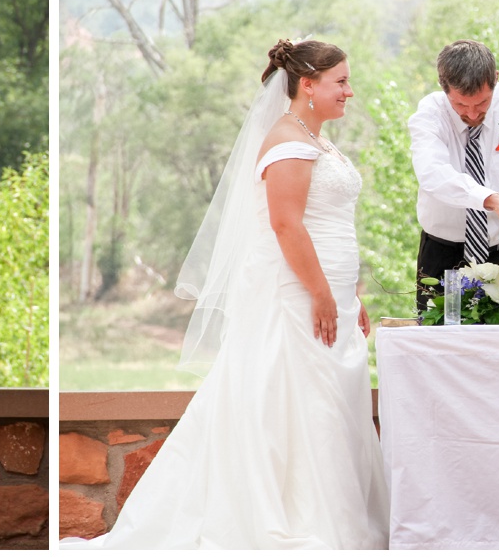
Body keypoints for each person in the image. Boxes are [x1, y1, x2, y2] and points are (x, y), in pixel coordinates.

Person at [61, 40, 389, 549]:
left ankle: (335, 520)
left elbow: (328, 226)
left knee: (327, 410)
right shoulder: (289, 142)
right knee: (297, 405)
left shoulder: (315, 138)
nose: (350, 90)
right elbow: (286, 226)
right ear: (308, 84)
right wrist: (323, 294)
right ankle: (300, 523)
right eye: (341, 81)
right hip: (297, 297)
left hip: (330, 293)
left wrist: (348, 293)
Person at [406, 40, 499, 313]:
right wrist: (493, 200)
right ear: (444, 88)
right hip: (443, 252)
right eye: (461, 105)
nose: (473, 114)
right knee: (440, 345)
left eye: (482, 102)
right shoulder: (430, 113)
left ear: (495, 79)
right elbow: (433, 174)